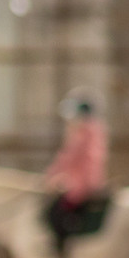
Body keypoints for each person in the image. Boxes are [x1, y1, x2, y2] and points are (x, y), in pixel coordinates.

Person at [44, 91, 110, 243]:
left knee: (56, 212)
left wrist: (50, 176)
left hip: (81, 183)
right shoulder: (96, 129)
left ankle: (63, 246)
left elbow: (69, 157)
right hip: (90, 179)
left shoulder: (84, 132)